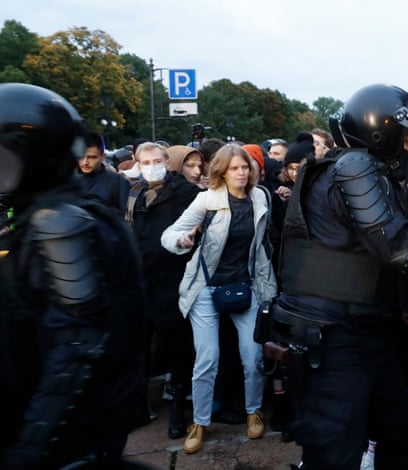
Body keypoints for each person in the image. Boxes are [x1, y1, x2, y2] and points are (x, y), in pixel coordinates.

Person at [269, 84, 408, 469]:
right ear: (382, 132)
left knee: (402, 441)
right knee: (334, 453)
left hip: (367, 332)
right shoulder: (354, 167)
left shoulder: (365, 171)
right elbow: (402, 249)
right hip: (337, 337)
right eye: (405, 136)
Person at [0, 83, 146, 468]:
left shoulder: (59, 223)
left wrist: (31, 449)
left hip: (74, 433)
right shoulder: (56, 213)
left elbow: (76, 350)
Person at [161, 143, 277, 453]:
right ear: (221, 172)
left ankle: (254, 411)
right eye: (235, 168)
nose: (241, 172)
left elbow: (264, 246)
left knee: (253, 358)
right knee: (207, 358)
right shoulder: (207, 200)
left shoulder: (260, 197)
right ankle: (199, 421)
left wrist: (268, 286)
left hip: (247, 286)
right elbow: (169, 235)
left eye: (245, 167)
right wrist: (184, 240)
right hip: (206, 289)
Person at [125, 141, 202, 439]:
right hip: (142, 281)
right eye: (146, 161)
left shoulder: (185, 193)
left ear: (168, 162)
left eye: (157, 160)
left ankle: (179, 412)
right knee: (140, 345)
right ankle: (139, 406)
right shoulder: (134, 193)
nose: (152, 165)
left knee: (177, 347)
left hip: (174, 278)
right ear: (137, 163)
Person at [76, 131, 131, 213]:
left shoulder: (118, 182)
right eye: (80, 156)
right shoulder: (67, 181)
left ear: (103, 157)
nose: (85, 162)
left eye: (92, 157)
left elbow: (126, 217)